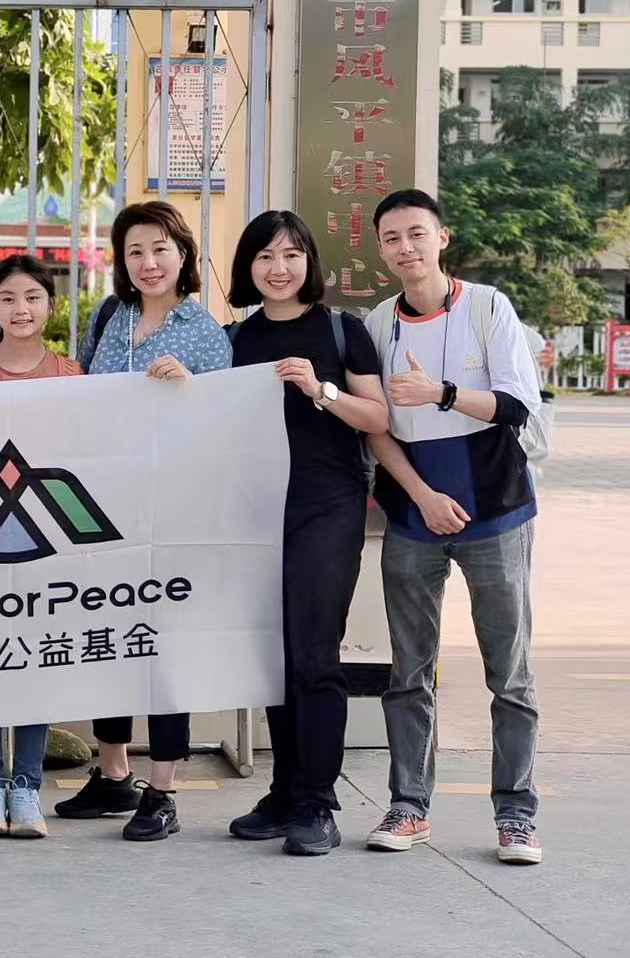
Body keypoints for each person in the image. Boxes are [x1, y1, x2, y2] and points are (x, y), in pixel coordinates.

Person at [361, 189, 544, 866]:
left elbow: (516, 406)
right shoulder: (377, 323)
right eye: (391, 237)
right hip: (413, 514)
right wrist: (421, 495)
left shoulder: (488, 306)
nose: (404, 247)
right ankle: (408, 806)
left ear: (441, 237)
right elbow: (376, 427)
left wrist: (437, 392)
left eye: (416, 233)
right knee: (408, 671)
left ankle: (517, 815)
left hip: (495, 511)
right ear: (380, 249)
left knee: (509, 672)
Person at [55, 200, 232, 842]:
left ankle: (163, 789)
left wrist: (190, 388)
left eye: (160, 249)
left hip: (173, 510)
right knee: (109, 635)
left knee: (163, 648)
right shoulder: (111, 316)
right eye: (135, 251)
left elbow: (227, 423)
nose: (148, 262)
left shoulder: (204, 331)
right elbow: (81, 394)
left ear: (182, 254)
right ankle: (112, 773)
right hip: (105, 509)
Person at [221, 211, 388, 856]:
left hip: (328, 507)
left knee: (315, 655)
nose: (279, 268)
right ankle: (286, 792)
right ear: (248, 267)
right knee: (275, 657)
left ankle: (318, 802)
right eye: (265, 256)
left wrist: (321, 390)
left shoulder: (343, 330)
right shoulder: (235, 338)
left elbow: (377, 417)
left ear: (309, 262)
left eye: (292, 254)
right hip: (255, 512)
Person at [0, 255, 83, 838]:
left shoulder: (71, 374)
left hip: (44, 535)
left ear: (49, 306)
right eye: (7, 298)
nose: (20, 309)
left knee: (33, 661)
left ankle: (26, 787)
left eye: (31, 297)